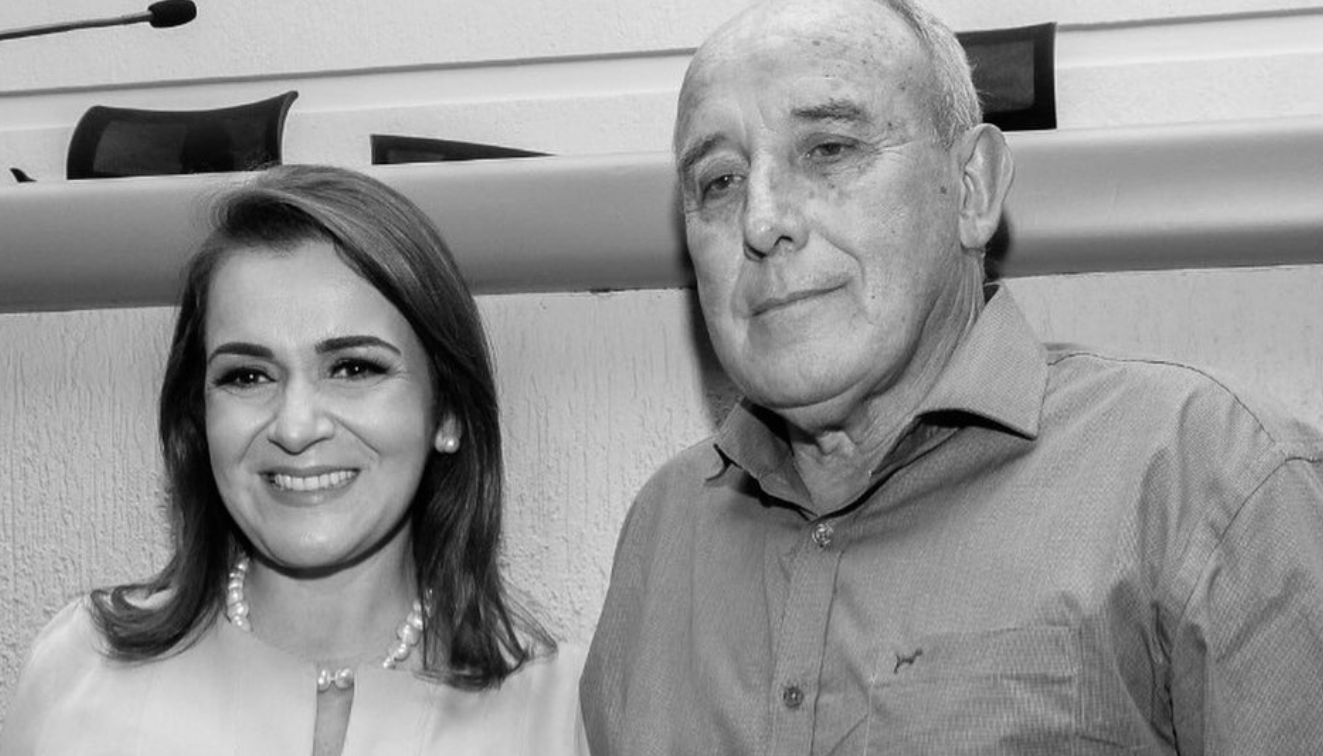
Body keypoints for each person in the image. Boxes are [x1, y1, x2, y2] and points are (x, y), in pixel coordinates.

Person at [580, 0, 1323, 753]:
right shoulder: (663, 530)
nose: (762, 220)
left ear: (972, 187)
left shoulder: (1208, 480)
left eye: (829, 149)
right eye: (719, 182)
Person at [1, 165, 587, 755]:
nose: (295, 427)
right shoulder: (79, 675)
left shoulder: (565, 713)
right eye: (247, 376)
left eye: (354, 368)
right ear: (199, 418)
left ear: (448, 412)